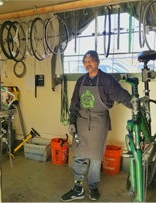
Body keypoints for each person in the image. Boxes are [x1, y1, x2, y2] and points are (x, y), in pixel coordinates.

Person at [60, 50, 132, 202]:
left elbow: (121, 95)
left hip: (99, 122)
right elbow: (74, 103)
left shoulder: (107, 80)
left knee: (95, 158)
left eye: (91, 61)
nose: (88, 64)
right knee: (79, 156)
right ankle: (78, 188)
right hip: (81, 121)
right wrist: (72, 121)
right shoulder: (80, 81)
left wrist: (135, 105)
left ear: (97, 62)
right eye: (85, 62)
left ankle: (93, 187)